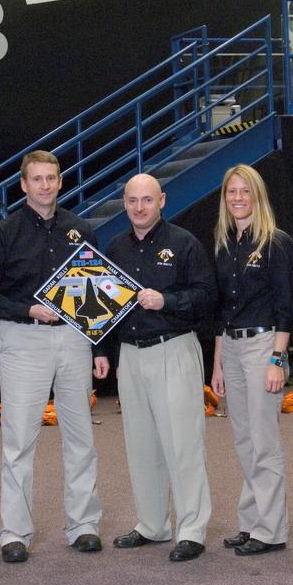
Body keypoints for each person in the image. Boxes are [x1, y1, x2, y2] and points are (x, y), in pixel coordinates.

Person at [0, 150, 110, 563]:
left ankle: (84, 525)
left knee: (80, 436)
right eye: (37, 179)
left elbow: (95, 294)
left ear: (61, 182)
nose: (45, 185)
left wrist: (98, 346)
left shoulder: (80, 229)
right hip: (23, 338)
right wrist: (27, 310)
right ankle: (15, 532)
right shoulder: (2, 233)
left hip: (73, 339)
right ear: (23, 184)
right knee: (18, 439)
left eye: (51, 178)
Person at [106, 173, 216, 563]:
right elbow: (105, 308)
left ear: (162, 200)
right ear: (124, 203)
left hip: (173, 350)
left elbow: (206, 297)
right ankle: (152, 524)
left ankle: (192, 529)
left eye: (147, 200)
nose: (140, 207)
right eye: (133, 200)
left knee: (183, 444)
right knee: (141, 445)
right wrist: (105, 351)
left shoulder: (184, 243)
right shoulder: (115, 248)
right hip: (131, 355)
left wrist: (166, 301)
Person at [209, 164, 293, 556]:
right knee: (244, 441)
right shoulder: (224, 244)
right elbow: (220, 310)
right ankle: (250, 521)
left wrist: (278, 360)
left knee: (264, 442)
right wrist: (217, 364)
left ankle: (270, 530)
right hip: (231, 346)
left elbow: (285, 308)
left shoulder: (276, 243)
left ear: (257, 196)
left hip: (264, 347)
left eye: (245, 192)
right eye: (232, 192)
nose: (238, 198)